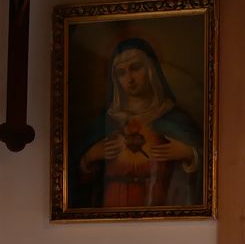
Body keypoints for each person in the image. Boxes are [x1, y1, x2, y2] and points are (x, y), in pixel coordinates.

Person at [75, 37, 201, 208]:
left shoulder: (175, 120)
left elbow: (208, 172)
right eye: (121, 73)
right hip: (111, 216)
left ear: (151, 69)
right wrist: (88, 158)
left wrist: (190, 154)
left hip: (162, 214)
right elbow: (73, 184)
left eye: (135, 68)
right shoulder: (104, 123)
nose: (130, 79)